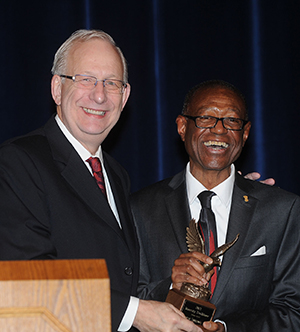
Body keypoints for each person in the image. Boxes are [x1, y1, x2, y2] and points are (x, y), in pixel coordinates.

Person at [0, 29, 203, 332]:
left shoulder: (116, 175)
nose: (99, 94)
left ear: (125, 96)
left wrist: (224, 190)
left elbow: (123, 278)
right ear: (57, 88)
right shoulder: (17, 162)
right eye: (85, 79)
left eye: (111, 83)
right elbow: (26, 281)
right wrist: (134, 314)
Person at [130, 80, 300, 332]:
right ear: (182, 127)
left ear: (245, 133)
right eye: (206, 118)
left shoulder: (281, 210)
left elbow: (292, 311)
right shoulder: (140, 208)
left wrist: (226, 329)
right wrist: (171, 286)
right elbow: (124, 304)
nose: (219, 131)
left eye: (232, 121)